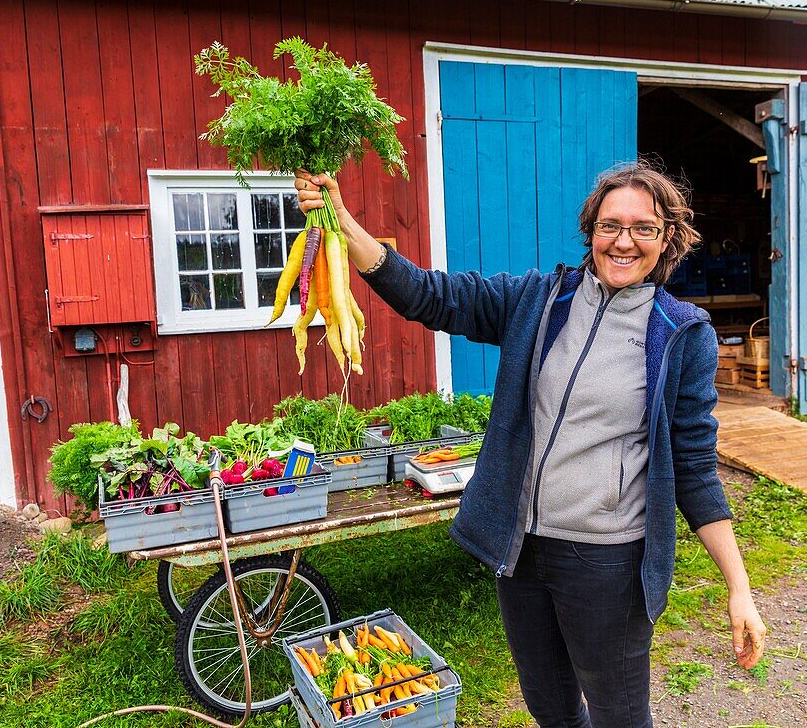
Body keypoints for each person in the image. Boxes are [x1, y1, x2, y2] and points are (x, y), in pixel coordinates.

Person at [295, 161, 766, 728]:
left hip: (606, 561)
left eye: (644, 227)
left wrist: (738, 588)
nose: (624, 241)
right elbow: (430, 296)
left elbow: (694, 467)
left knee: (619, 717)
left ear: (667, 238)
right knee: (552, 711)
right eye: (610, 225)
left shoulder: (681, 333)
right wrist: (342, 221)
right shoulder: (540, 301)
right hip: (521, 553)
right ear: (590, 230)